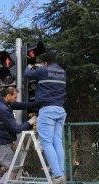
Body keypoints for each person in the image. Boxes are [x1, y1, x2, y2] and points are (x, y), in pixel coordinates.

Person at [24, 52, 67, 184]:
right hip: (60, 110)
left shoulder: (43, 70)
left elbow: (27, 73)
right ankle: (61, 174)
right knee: (57, 143)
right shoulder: (63, 72)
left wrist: (31, 65)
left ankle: (57, 175)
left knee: (47, 143)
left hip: (47, 110)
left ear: (46, 63)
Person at [0, 87, 38, 184]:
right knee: (14, 169)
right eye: (15, 97)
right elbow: (16, 129)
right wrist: (30, 122)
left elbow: (17, 105)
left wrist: (34, 104)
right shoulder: (3, 109)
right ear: (8, 96)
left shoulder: (0, 102)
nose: (16, 100)